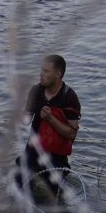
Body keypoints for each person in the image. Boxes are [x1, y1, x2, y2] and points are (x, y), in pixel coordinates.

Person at [20, 55, 81, 201]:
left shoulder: (69, 97)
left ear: (58, 74)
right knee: (20, 192)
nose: (41, 74)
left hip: (56, 158)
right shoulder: (36, 91)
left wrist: (50, 119)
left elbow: (72, 134)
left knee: (54, 201)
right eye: (41, 70)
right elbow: (25, 120)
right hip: (32, 152)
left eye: (46, 71)